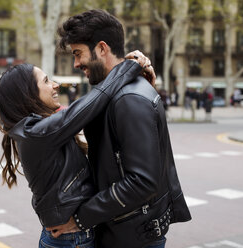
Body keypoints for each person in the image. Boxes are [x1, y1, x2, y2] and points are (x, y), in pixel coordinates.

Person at [47, 9, 191, 248]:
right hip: (130, 229)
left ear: (102, 48)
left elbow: (142, 181)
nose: (76, 63)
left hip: (132, 236)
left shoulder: (129, 98)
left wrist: (81, 219)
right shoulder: (123, 90)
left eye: (78, 53)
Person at [0, 57, 153, 247]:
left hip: (71, 237)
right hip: (71, 239)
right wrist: (131, 66)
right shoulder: (36, 133)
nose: (55, 85)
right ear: (28, 94)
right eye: (46, 81)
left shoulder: (35, 131)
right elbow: (92, 102)